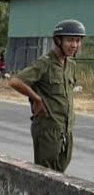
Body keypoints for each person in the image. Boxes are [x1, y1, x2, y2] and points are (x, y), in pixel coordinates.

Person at [9, 19, 85, 172]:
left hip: (66, 129)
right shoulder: (45, 63)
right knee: (46, 175)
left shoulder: (71, 65)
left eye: (77, 41)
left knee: (60, 174)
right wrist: (36, 99)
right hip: (48, 129)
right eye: (70, 40)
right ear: (58, 40)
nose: (75, 45)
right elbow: (15, 81)